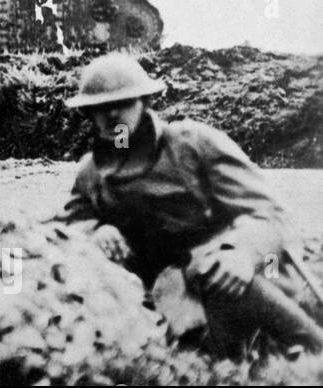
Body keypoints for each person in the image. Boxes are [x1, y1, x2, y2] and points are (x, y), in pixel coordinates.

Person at [59, 52, 323, 355]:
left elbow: (271, 213)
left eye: (124, 102)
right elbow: (69, 226)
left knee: (212, 269)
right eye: (101, 107)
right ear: (89, 114)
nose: (113, 114)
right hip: (162, 298)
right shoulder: (91, 173)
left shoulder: (194, 145)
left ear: (144, 102)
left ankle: (310, 343)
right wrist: (96, 230)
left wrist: (242, 252)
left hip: (240, 277)